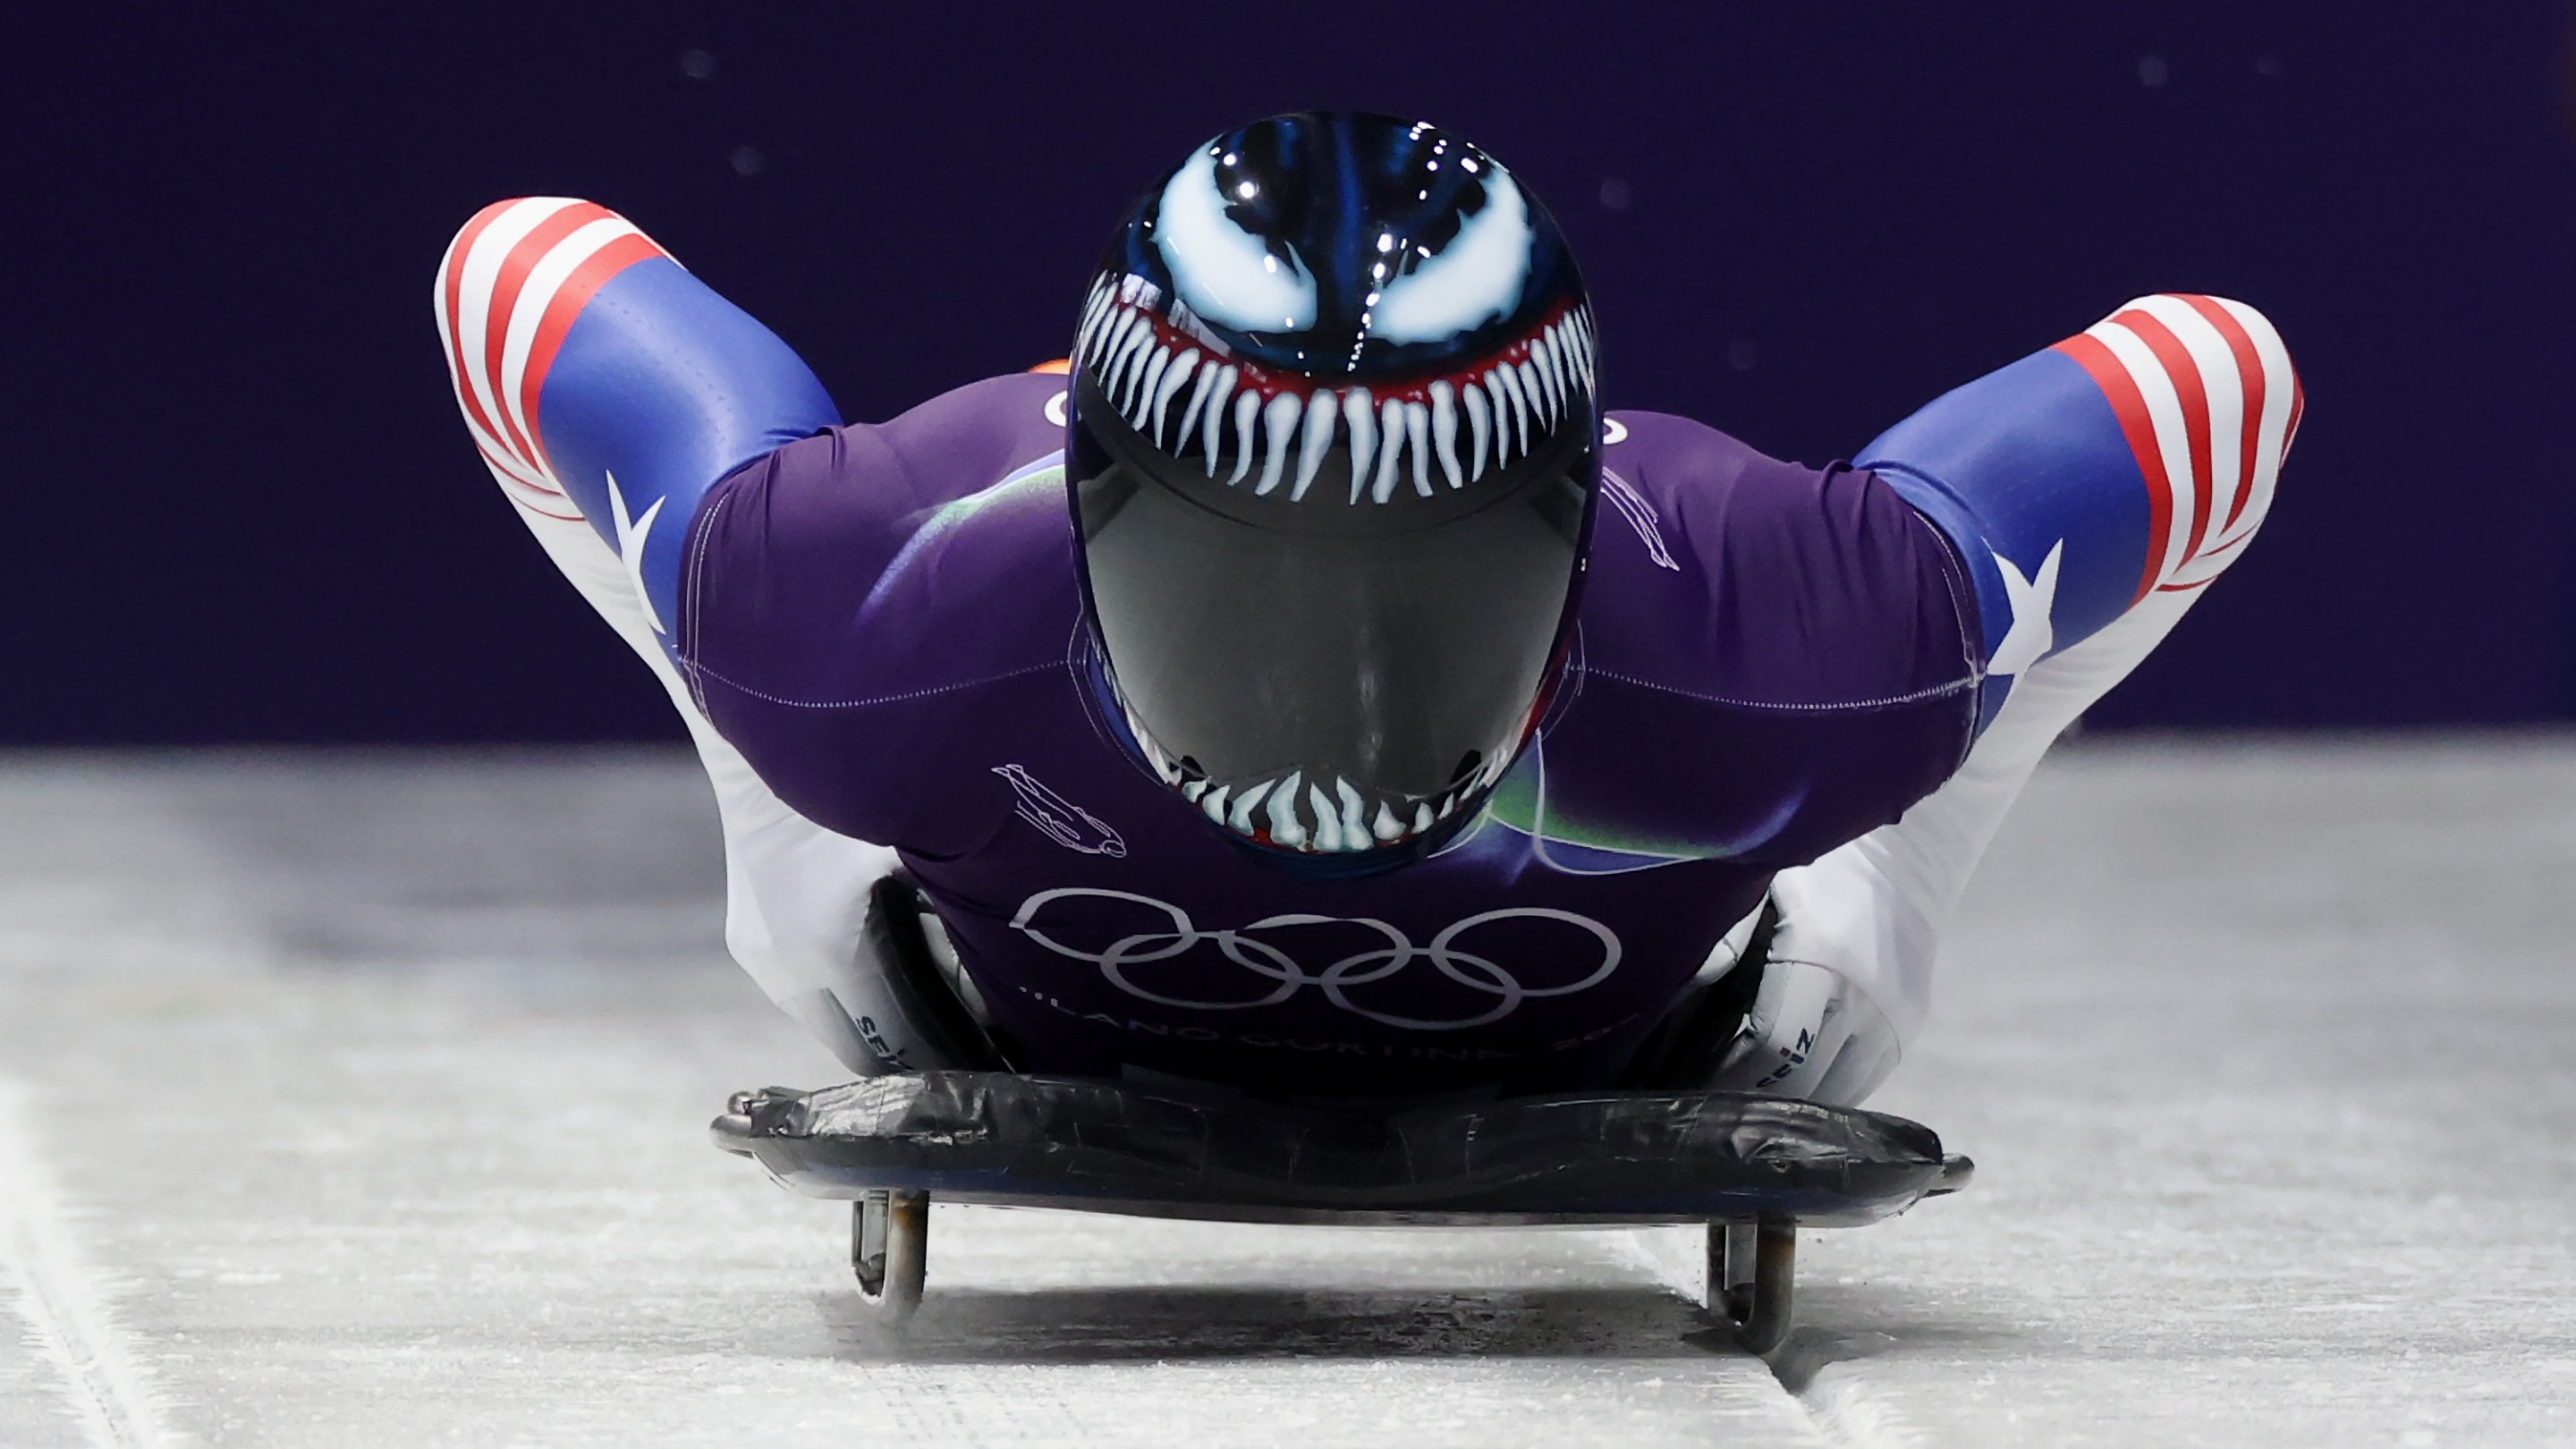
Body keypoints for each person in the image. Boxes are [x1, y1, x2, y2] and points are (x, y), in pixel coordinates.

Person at [434, 112, 2299, 1107]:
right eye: (1246, 575)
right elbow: (2224, 370)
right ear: (1092, 511)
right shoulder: (849, 598)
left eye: (1425, 579)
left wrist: (1903, 863)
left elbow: (518, 265)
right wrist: (766, 782)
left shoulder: (1799, 638)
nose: (1331, 691)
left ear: (1577, 526)